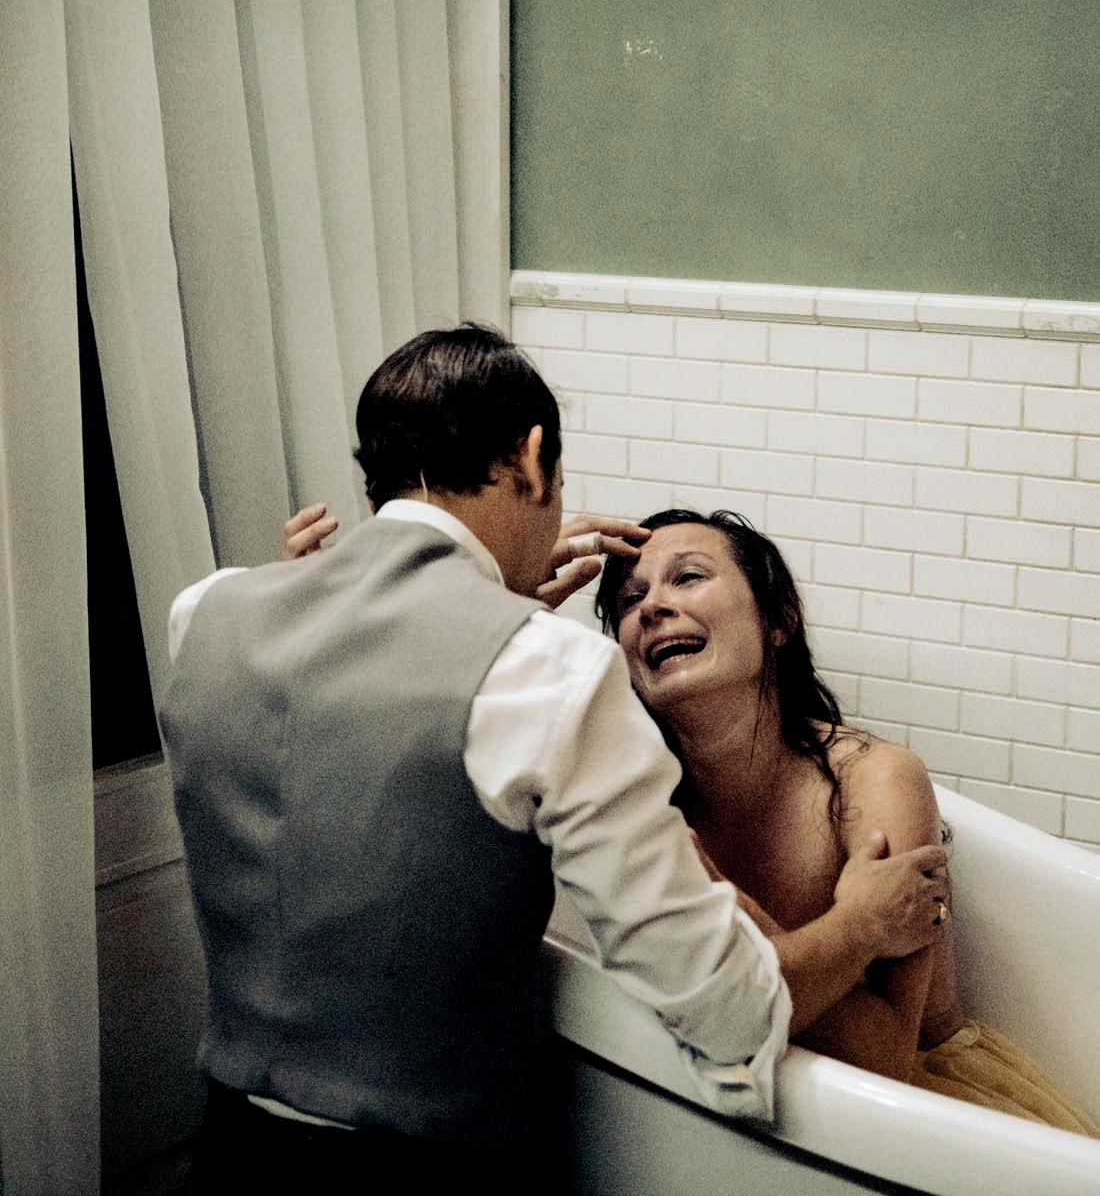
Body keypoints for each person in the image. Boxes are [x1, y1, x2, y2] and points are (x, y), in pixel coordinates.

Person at [160, 326, 951, 1193]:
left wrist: (490, 606)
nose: (652, 608)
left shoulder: (207, 612)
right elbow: (728, 1019)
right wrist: (863, 922)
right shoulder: (549, 668)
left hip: (229, 1153)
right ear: (533, 459)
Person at [594, 507, 1100, 1137]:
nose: (652, 607)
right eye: (630, 599)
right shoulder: (626, 797)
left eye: (689, 577)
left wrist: (722, 910)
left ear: (779, 620)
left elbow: (884, 1057)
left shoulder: (873, 780)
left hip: (922, 1109)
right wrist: (858, 924)